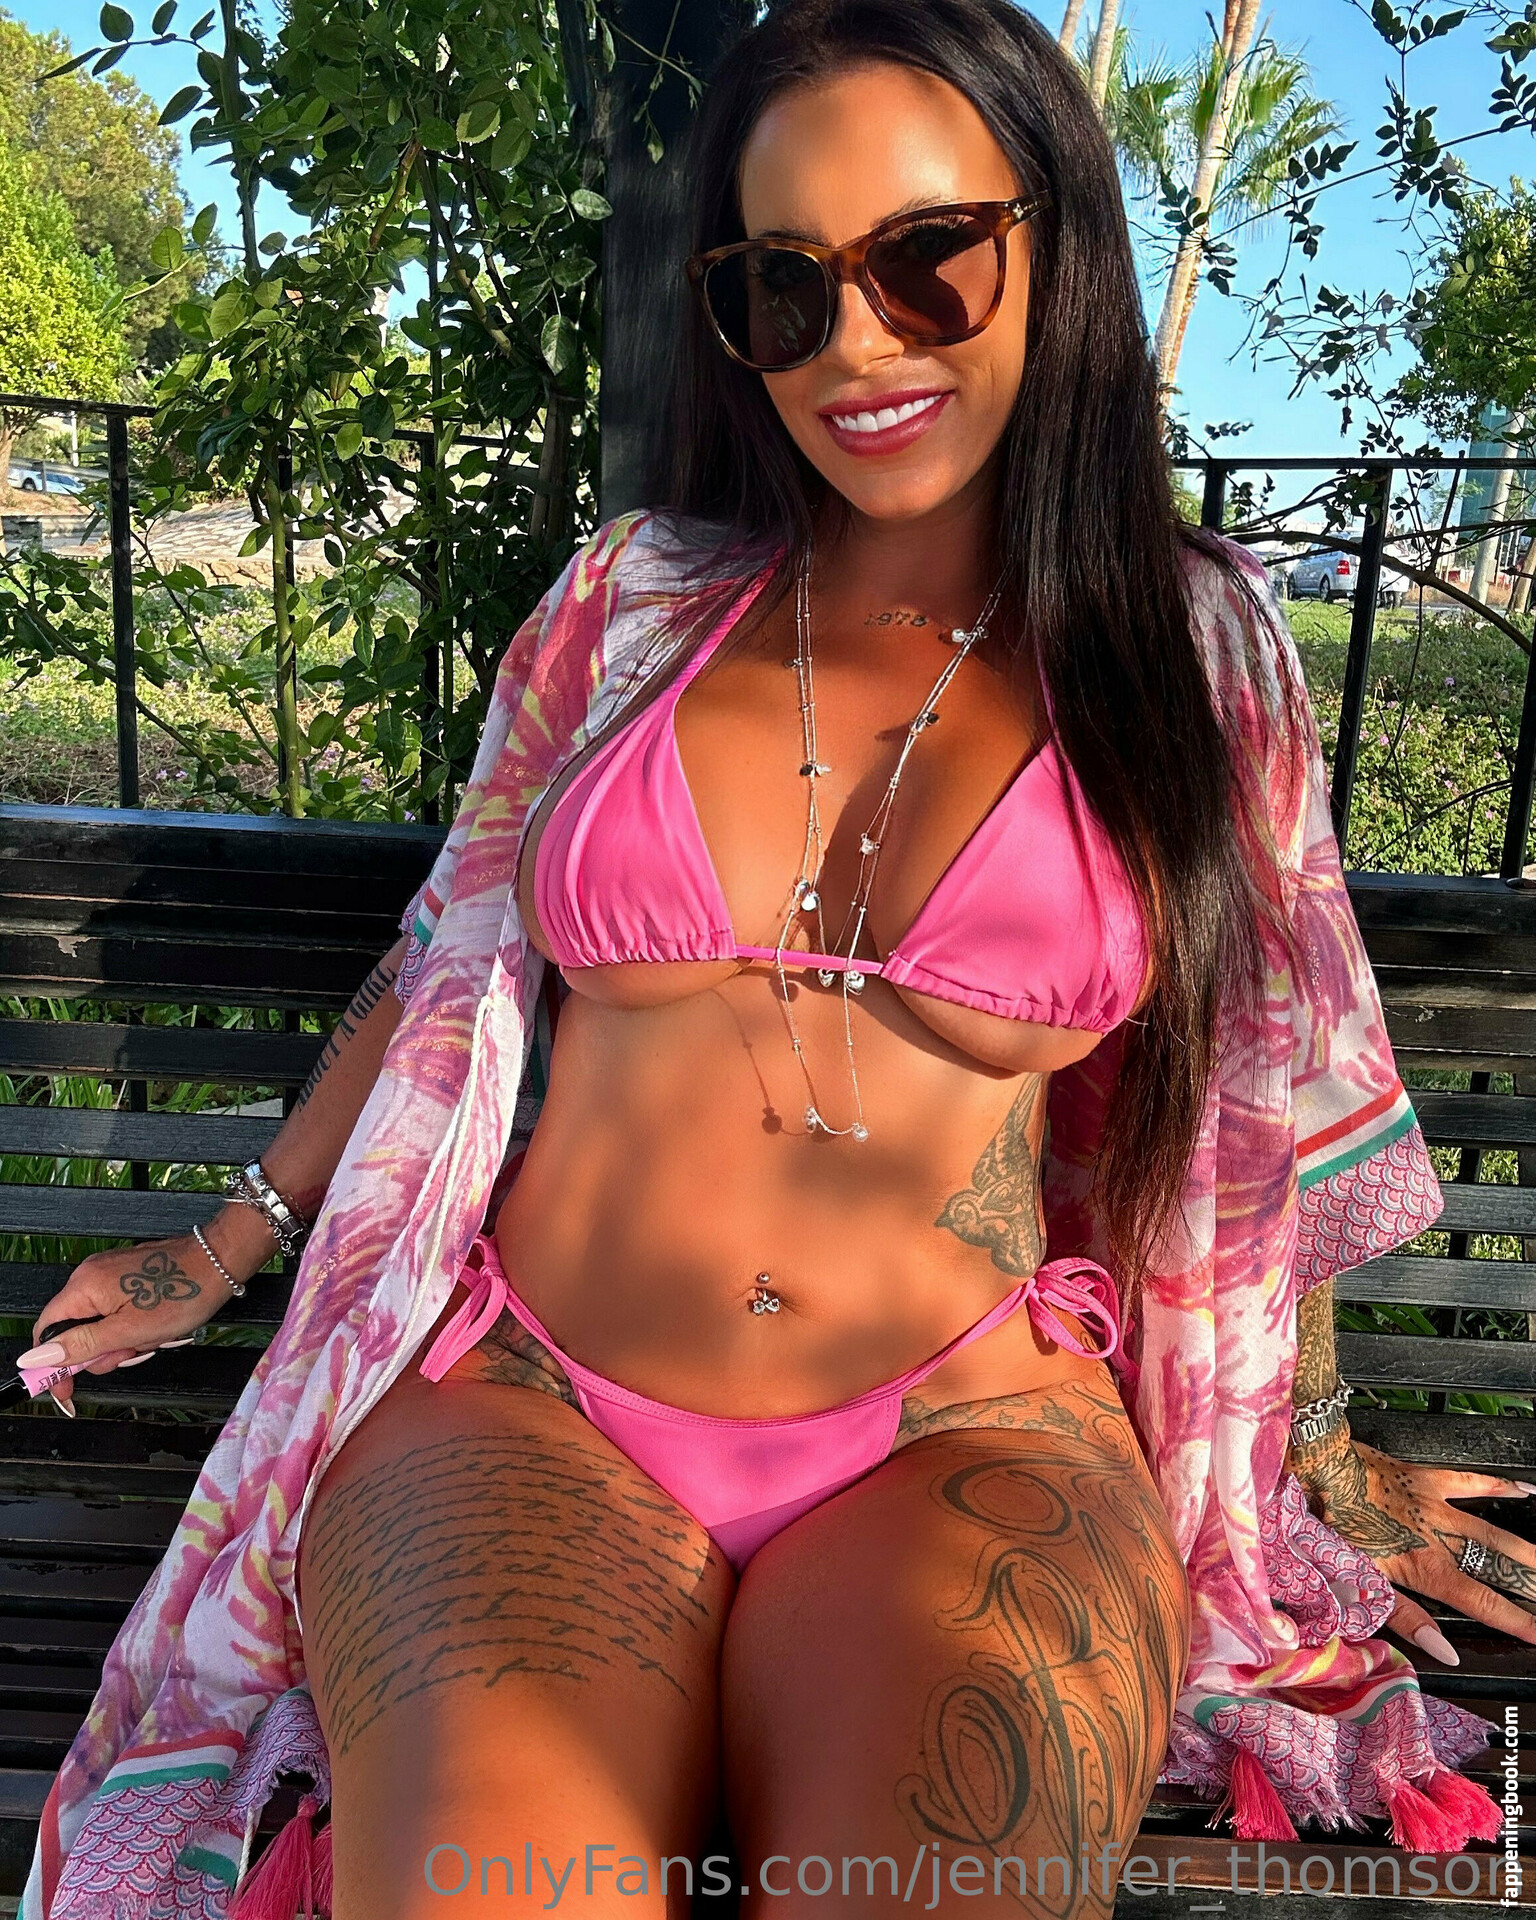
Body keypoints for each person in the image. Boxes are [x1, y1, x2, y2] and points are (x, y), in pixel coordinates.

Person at [20, 2, 1533, 1915]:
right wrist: (222, 1241)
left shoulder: (1190, 649)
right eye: (783, 288)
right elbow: (444, 961)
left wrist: (1315, 1441)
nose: (859, 344)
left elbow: (1262, 1077)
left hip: (965, 1429)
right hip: (529, 1402)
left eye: (928, 259)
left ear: (1057, 245)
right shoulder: (633, 601)